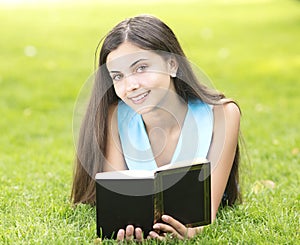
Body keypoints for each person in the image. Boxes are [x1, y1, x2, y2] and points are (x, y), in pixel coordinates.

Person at [71, 14, 241, 241]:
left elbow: (206, 213)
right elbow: (118, 202)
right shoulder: (115, 116)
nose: (130, 86)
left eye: (141, 68)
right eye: (118, 76)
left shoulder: (223, 115)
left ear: (172, 64)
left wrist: (191, 230)